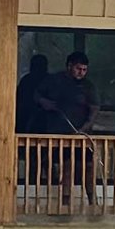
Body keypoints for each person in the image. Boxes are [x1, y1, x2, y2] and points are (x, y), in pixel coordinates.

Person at [42, 50, 98, 208]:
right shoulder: (54, 80)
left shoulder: (88, 86)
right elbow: (37, 95)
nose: (81, 73)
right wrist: (44, 102)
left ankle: (93, 203)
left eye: (84, 70)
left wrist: (83, 129)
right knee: (67, 166)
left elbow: (94, 110)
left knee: (88, 167)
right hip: (59, 133)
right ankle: (65, 205)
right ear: (69, 66)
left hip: (81, 134)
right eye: (78, 69)